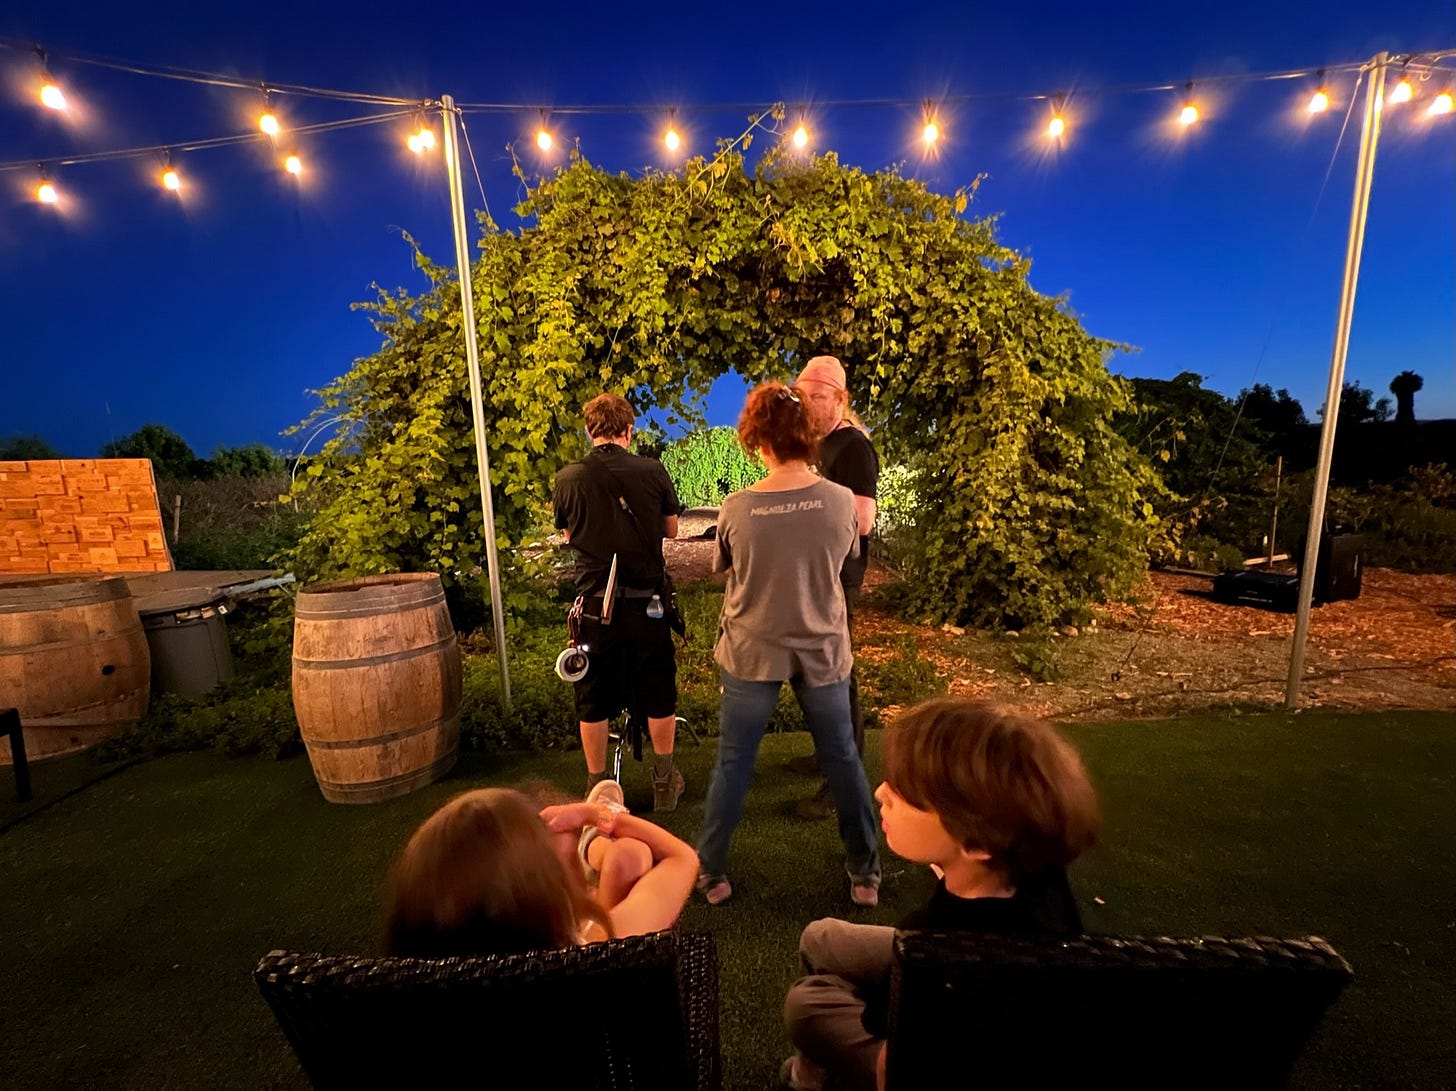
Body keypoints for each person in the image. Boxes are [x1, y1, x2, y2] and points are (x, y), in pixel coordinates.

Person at [780, 698, 1101, 1091]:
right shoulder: (1030, 866)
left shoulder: (930, 951)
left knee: (806, 1003)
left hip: (932, 1051)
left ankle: (808, 1079)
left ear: (976, 840)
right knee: (821, 937)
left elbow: (893, 1054)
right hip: (990, 988)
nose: (882, 793)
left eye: (906, 793)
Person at [695, 381, 881, 909]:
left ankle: (711, 873)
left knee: (733, 763)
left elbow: (726, 571)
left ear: (757, 441)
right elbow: (844, 559)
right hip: (823, 647)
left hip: (751, 649)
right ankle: (865, 872)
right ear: (807, 437)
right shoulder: (842, 501)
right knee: (843, 757)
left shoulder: (735, 508)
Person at [553, 392, 685, 812]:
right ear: (629, 430)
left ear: (589, 431)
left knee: (592, 695)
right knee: (659, 687)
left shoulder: (568, 477)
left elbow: (567, 535)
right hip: (648, 604)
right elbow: (672, 530)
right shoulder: (651, 469)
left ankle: (598, 788)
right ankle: (664, 781)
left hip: (594, 606)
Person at [384, 782, 698, 958]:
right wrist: (601, 816)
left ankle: (594, 851)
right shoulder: (599, 952)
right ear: (544, 896)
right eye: (541, 829)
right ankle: (594, 842)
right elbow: (682, 858)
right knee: (631, 857)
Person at [789, 356, 880, 822]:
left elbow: (862, 520)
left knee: (835, 677)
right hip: (811, 574)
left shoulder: (852, 448)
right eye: (801, 394)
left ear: (840, 398)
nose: (807, 403)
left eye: (816, 396)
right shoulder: (816, 445)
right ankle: (827, 755)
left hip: (836, 578)